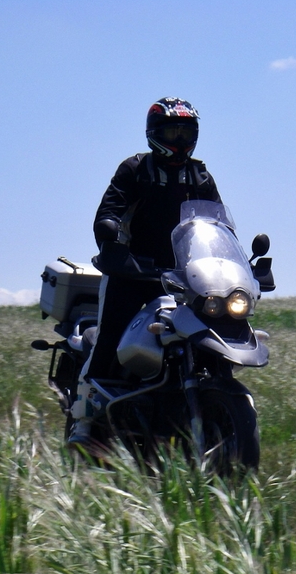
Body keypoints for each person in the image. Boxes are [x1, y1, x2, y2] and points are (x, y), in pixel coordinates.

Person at [68, 97, 222, 448]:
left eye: (186, 132)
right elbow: (110, 209)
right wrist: (110, 233)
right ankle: (83, 422)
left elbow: (216, 223)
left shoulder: (200, 176)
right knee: (109, 338)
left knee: (210, 335)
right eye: (172, 131)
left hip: (185, 276)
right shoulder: (135, 169)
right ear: (154, 134)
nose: (180, 139)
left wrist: (231, 259)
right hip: (133, 270)